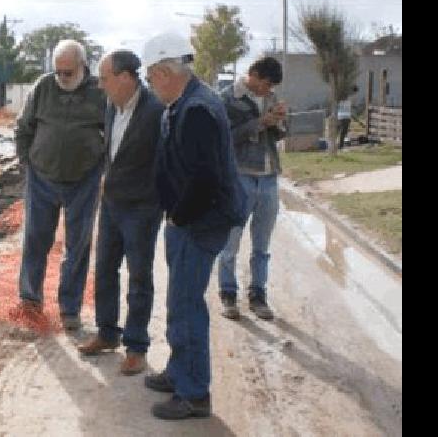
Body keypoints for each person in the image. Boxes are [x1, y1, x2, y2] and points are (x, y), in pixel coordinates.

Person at [142, 32, 247, 420]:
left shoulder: (197, 109)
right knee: (179, 301)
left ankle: (194, 393)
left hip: (199, 222)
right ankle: (180, 371)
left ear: (166, 72)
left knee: (187, 305)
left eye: (152, 78)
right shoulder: (186, 101)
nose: (150, 86)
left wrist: (180, 216)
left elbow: (205, 178)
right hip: (189, 219)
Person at [75, 50, 164, 376]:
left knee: (139, 277)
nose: (100, 85)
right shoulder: (112, 107)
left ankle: (137, 347)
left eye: (105, 78)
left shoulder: (155, 111)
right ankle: (107, 333)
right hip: (111, 205)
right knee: (104, 271)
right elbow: (112, 152)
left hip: (141, 208)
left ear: (126, 78)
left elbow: (163, 161)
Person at [14, 39, 108, 331]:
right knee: (35, 241)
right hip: (42, 178)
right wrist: (26, 160)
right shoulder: (43, 87)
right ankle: (30, 301)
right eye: (58, 72)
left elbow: (114, 133)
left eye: (68, 72)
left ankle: (69, 309)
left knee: (77, 246)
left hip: (84, 180)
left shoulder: (99, 92)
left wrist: (102, 170)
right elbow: (23, 127)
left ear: (82, 66)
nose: (62, 78)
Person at [216, 57, 287, 321]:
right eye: (266, 84)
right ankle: (228, 294)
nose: (268, 90)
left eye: (271, 87)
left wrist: (279, 121)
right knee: (230, 243)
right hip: (240, 176)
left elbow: (280, 134)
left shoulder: (271, 97)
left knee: (262, 244)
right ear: (254, 75)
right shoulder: (226, 99)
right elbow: (224, 138)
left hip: (269, 177)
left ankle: (258, 295)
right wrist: (260, 123)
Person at [337, 85, 357, 149]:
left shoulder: (340, 100)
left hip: (340, 117)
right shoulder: (350, 100)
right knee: (343, 132)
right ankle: (340, 145)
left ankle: (340, 144)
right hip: (345, 117)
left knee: (341, 131)